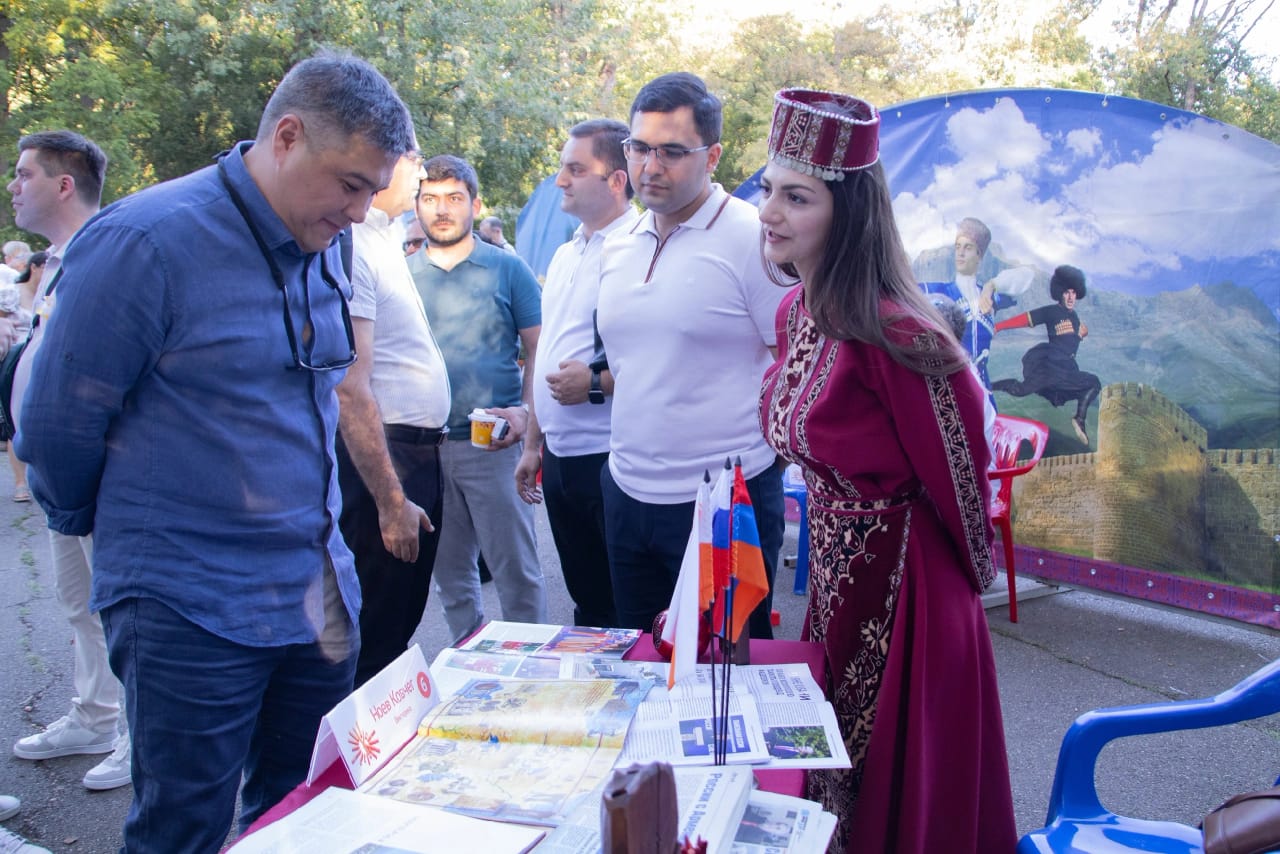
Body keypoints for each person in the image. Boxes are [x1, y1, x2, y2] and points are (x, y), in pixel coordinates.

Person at [17, 53, 416, 850]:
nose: (359, 211)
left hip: (315, 596)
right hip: (188, 606)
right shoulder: (144, 241)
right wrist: (133, 536)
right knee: (182, 830)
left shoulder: (329, 239)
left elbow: (319, 395)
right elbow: (58, 428)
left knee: (302, 820)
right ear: (287, 137)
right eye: (349, 185)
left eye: (371, 192)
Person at [757, 88, 1016, 853]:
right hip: (834, 568)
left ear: (848, 212)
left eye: (796, 197)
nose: (769, 212)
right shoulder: (797, 313)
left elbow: (964, 473)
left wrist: (970, 587)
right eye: (768, 189)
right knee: (832, 755)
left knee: (895, 783)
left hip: (910, 590)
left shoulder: (901, 335)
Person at [595, 72, 786, 639]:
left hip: (722, 505)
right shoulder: (619, 243)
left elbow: (795, 367)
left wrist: (758, 469)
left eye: (672, 151)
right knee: (642, 665)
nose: (650, 166)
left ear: (713, 156)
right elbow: (632, 367)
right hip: (626, 491)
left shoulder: (754, 238)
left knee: (726, 675)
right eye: (639, 148)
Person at [6, 131, 131, 793]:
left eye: (24, 174)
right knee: (78, 603)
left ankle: (139, 737)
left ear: (63, 184)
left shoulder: (106, 254)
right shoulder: (55, 260)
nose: (13, 186)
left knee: (119, 610)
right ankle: (94, 716)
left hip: (98, 472)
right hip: (56, 469)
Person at [409, 154, 547, 643]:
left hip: (493, 445)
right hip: (424, 449)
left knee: (517, 574)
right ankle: (469, 665)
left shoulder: (508, 269)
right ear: (416, 206)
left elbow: (540, 349)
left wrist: (527, 417)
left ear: (475, 204)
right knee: (451, 579)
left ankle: (531, 670)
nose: (441, 209)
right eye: (430, 198)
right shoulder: (400, 276)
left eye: (454, 197)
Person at [514, 119, 638, 628]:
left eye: (575, 169)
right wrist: (532, 444)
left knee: (626, 608)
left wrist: (593, 385)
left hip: (612, 457)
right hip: (561, 458)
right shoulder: (566, 253)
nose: (560, 180)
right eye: (562, 167)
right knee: (587, 604)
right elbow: (546, 351)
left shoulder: (640, 249)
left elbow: (661, 365)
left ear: (617, 180)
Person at [336, 149, 452, 688]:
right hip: (387, 456)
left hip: (419, 453)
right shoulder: (354, 245)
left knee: (399, 617)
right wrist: (390, 501)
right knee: (376, 628)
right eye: (412, 157)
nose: (422, 172)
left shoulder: (384, 237)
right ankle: (360, 736)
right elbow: (350, 386)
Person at [992, 264, 1102, 445]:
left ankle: (1079, 419)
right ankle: (989, 386)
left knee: (1093, 383)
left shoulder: (1075, 317)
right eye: (1066, 292)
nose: (1070, 297)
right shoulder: (1052, 311)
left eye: (1073, 293)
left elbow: (1070, 341)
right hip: (1050, 367)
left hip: (1067, 369)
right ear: (1060, 293)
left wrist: (1080, 335)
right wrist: (999, 326)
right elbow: (1027, 319)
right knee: (1020, 390)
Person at [921, 217, 1021, 392]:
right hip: (953, 390)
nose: (960, 253)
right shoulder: (940, 290)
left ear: (979, 255)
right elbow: (899, 288)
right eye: (957, 247)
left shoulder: (992, 298)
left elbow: (1024, 277)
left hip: (984, 393)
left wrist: (991, 285)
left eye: (967, 248)